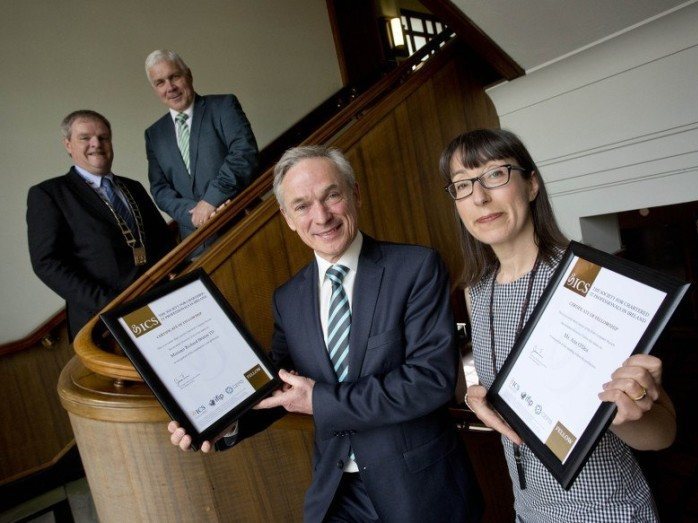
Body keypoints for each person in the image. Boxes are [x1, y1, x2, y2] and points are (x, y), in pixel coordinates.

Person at [168, 145, 484, 522]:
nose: (320, 216)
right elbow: (281, 383)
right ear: (287, 217)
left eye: (331, 196)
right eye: (301, 206)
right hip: (336, 495)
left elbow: (430, 381)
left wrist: (321, 401)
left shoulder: (415, 268)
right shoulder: (288, 298)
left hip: (417, 490)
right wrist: (221, 420)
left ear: (356, 195)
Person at [440, 128, 677, 521]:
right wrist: (475, 397)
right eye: (462, 185)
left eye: (495, 174)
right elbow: (488, 383)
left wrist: (633, 410)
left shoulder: (588, 281)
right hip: (528, 509)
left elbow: (662, 434)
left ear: (531, 184)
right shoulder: (476, 293)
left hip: (605, 509)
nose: (479, 196)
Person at [27, 110, 174, 340]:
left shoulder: (133, 187)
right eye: (85, 138)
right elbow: (47, 263)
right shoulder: (49, 194)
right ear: (68, 145)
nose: (96, 144)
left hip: (159, 304)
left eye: (103, 137)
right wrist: (111, 304)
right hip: (103, 319)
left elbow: (163, 241)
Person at [144, 49, 259, 243]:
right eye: (160, 82)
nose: (170, 87)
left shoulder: (223, 106)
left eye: (174, 77)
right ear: (155, 89)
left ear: (188, 74)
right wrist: (192, 215)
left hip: (243, 224)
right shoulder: (154, 134)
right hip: (197, 242)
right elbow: (159, 188)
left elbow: (243, 154)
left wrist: (210, 201)